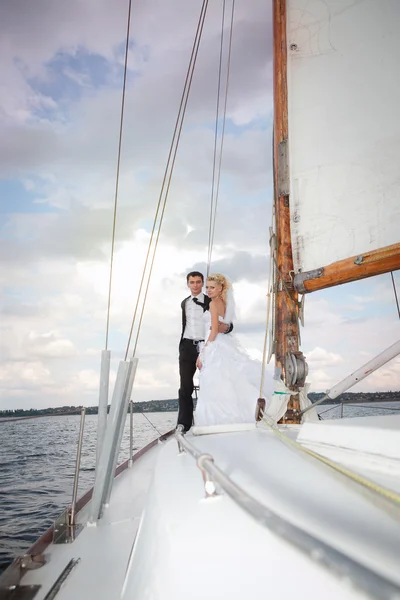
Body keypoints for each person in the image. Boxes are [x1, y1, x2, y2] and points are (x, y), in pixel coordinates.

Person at [194, 273, 290, 427]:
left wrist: (202, 353)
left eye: (212, 287)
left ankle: (219, 419)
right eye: (207, 287)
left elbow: (213, 331)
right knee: (230, 379)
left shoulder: (213, 304)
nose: (209, 290)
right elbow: (223, 326)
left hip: (215, 345)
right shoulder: (224, 303)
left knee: (218, 381)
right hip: (224, 342)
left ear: (220, 288)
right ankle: (248, 412)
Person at [177, 271, 232, 433]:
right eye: (192, 282)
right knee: (185, 386)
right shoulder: (184, 303)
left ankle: (210, 418)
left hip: (206, 345)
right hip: (186, 346)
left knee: (210, 383)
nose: (195, 285)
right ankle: (183, 424)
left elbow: (227, 322)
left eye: (198, 282)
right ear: (188, 284)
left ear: (202, 283)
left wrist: (226, 328)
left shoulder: (212, 300)